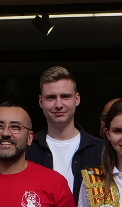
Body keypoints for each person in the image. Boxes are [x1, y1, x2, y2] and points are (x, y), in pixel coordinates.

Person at [27, 65, 104, 199]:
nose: (58, 104)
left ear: (77, 99)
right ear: (41, 101)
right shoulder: (28, 149)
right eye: (51, 97)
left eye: (65, 96)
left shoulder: (101, 149)